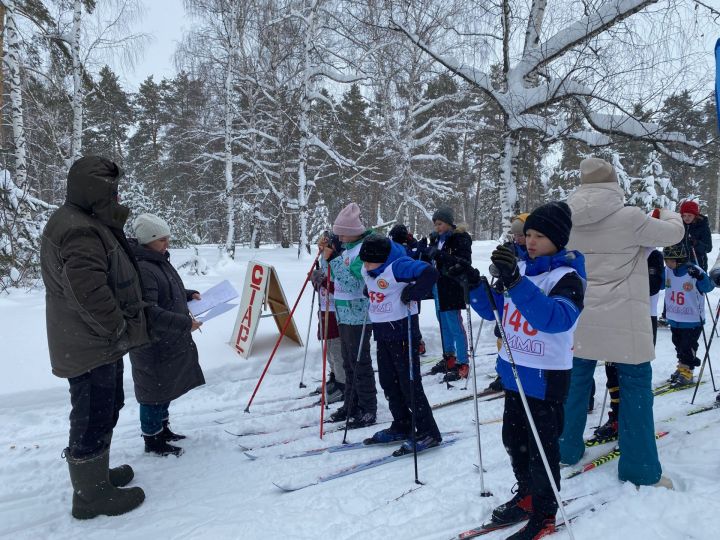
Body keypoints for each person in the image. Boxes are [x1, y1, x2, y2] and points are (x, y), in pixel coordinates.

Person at [558, 157, 684, 489]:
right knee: (636, 392)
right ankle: (640, 468)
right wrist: (666, 212)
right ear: (613, 182)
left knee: (574, 387)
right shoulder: (630, 218)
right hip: (624, 318)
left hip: (581, 316)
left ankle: (566, 448)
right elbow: (674, 233)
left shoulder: (565, 220)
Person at [467, 201, 585, 539]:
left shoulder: (568, 277)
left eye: (539, 235)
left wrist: (516, 282)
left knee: (542, 451)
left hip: (546, 377)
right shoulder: (519, 269)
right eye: (528, 234)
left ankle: (545, 513)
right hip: (515, 371)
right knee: (514, 439)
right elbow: (494, 312)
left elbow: (554, 319)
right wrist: (473, 284)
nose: (530, 241)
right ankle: (527, 494)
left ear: (558, 240)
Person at [40, 156, 148, 519]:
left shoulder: (84, 220)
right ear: (94, 191)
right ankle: (89, 496)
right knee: (92, 414)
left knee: (105, 407)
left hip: (93, 340)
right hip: (91, 343)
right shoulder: (78, 229)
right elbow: (88, 292)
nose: (117, 199)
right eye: (112, 192)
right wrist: (117, 328)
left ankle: (97, 476)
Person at [129, 213, 206, 457]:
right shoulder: (143, 268)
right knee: (152, 393)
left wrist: (187, 294)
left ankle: (162, 429)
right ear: (147, 241)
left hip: (167, 341)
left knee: (164, 389)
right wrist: (185, 323)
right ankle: (152, 439)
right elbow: (149, 311)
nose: (167, 244)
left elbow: (167, 290)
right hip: (153, 344)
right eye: (162, 239)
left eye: (167, 238)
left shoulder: (157, 260)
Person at [359, 235, 443, 455]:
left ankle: (428, 432)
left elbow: (429, 272)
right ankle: (402, 424)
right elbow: (373, 286)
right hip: (382, 331)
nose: (366, 266)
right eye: (364, 261)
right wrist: (369, 291)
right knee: (388, 381)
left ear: (383, 258)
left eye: (370, 262)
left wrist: (414, 292)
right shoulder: (370, 268)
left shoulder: (399, 265)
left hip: (404, 331)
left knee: (409, 382)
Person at [593, 247, 665, 442]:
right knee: (612, 370)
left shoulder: (653, 255)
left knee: (634, 375)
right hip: (615, 317)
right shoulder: (620, 251)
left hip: (641, 319)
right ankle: (616, 417)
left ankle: (634, 424)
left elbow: (653, 286)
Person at [320, 203, 377, 428]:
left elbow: (355, 283)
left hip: (359, 312)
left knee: (360, 362)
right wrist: (327, 259)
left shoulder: (363, 250)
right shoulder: (348, 248)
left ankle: (368, 407)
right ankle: (352, 403)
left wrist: (333, 258)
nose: (338, 236)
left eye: (341, 232)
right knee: (348, 362)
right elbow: (335, 277)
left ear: (352, 231)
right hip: (343, 313)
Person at [419, 207, 472, 382]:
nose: (437, 227)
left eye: (440, 224)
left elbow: (463, 262)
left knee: (454, 324)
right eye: (435, 224)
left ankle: (463, 362)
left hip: (452, 286)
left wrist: (439, 254)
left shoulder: (460, 238)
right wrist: (425, 251)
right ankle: (449, 356)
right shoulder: (437, 239)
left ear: (449, 223)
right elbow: (431, 260)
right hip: (438, 286)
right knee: (443, 323)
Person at [662, 242, 714, 386]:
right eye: (665, 260)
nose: (666, 263)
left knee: (687, 346)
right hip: (674, 317)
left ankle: (687, 372)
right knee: (678, 345)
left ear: (679, 260)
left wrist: (700, 277)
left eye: (669, 260)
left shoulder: (693, 270)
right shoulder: (667, 271)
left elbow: (708, 287)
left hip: (691, 319)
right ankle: (682, 367)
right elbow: (660, 284)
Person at [311, 233, 345, 404]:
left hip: (335, 311)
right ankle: (334, 378)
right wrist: (315, 279)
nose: (322, 248)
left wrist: (322, 281)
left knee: (336, 351)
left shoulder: (338, 261)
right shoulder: (324, 260)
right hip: (324, 309)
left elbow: (339, 287)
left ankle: (342, 384)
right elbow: (321, 282)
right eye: (321, 245)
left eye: (326, 245)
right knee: (329, 350)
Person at [389, 223, 427, 355]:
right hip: (402, 286)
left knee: (411, 316)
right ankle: (412, 343)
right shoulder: (396, 248)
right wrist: (418, 247)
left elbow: (415, 257)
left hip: (409, 286)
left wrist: (417, 245)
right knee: (408, 317)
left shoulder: (403, 245)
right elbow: (410, 257)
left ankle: (416, 342)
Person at [678, 199, 712, 270]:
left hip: (698, 263)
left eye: (689, 215)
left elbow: (708, 248)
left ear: (695, 215)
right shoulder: (680, 225)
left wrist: (696, 243)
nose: (686, 218)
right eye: (684, 215)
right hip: (682, 263)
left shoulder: (702, 226)